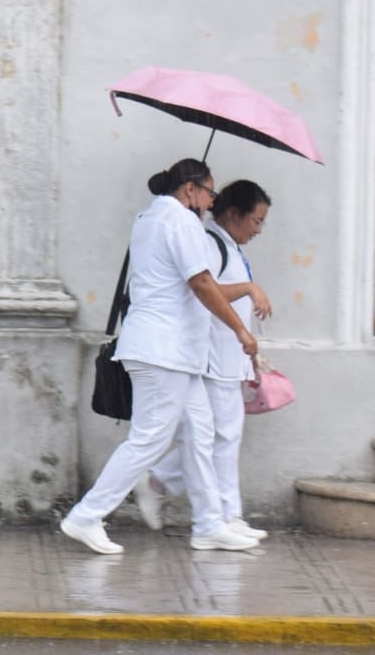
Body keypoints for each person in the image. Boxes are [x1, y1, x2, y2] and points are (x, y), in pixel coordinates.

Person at [59, 158, 260, 555]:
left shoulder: (149, 217)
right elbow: (202, 282)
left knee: (201, 433)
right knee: (150, 438)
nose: (210, 201)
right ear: (191, 190)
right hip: (161, 350)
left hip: (174, 352)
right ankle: (86, 515)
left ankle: (209, 524)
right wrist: (239, 328)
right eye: (209, 192)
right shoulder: (181, 222)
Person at [134, 180, 273, 540]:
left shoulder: (226, 244)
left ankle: (168, 484)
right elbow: (201, 288)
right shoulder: (210, 243)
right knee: (220, 437)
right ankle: (223, 515)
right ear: (233, 214)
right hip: (212, 357)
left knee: (216, 438)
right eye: (256, 221)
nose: (259, 230)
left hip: (229, 358)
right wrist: (247, 289)